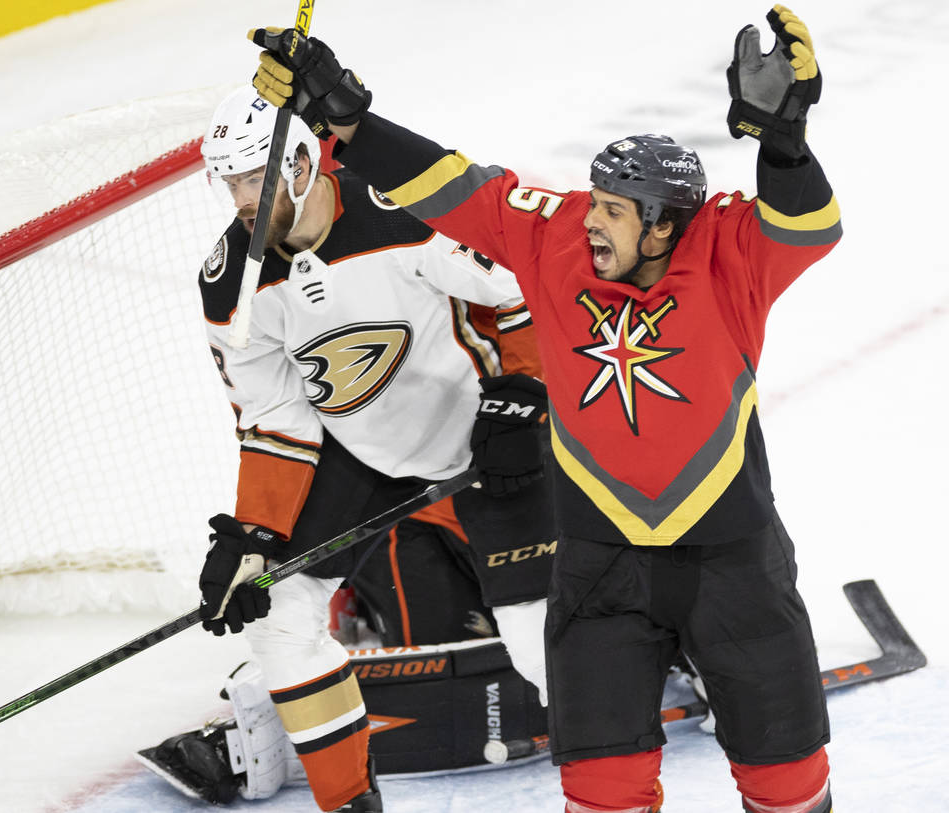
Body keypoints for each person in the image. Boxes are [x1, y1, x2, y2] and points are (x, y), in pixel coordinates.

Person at [246, 5, 839, 813]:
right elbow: (453, 185)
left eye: (615, 211)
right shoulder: (556, 236)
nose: (591, 218)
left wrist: (784, 141)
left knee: (788, 789)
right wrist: (349, 117)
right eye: (594, 199)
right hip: (599, 565)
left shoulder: (727, 253)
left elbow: (809, 227)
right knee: (601, 792)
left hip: (733, 564)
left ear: (664, 228)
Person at [192, 85, 557, 812]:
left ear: (300, 164)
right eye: (227, 179)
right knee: (280, 613)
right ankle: (351, 801)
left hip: (487, 436)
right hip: (366, 458)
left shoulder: (404, 214)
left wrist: (522, 398)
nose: (239, 197)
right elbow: (272, 414)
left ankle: (670, 652)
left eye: (252, 177)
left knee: (540, 641)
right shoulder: (231, 279)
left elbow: (525, 290)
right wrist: (254, 533)